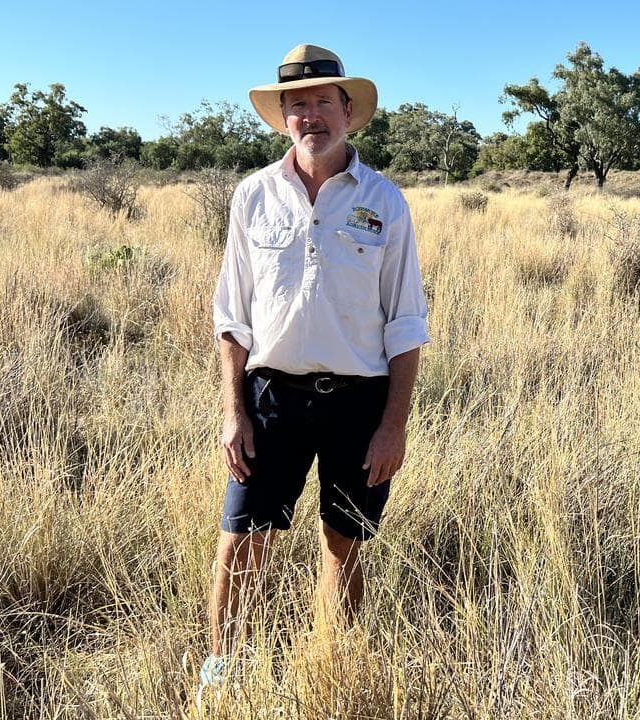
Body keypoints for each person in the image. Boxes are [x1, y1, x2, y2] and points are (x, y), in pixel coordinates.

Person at [200, 44, 430, 691]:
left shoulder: (386, 203)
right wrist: (232, 411)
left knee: (343, 547)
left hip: (360, 403)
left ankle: (335, 673)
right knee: (242, 540)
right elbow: (231, 315)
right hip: (270, 398)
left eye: (323, 101)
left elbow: (406, 324)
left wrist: (393, 427)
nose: (311, 115)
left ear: (348, 111)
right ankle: (223, 677)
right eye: (296, 104)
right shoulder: (253, 197)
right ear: (283, 117)